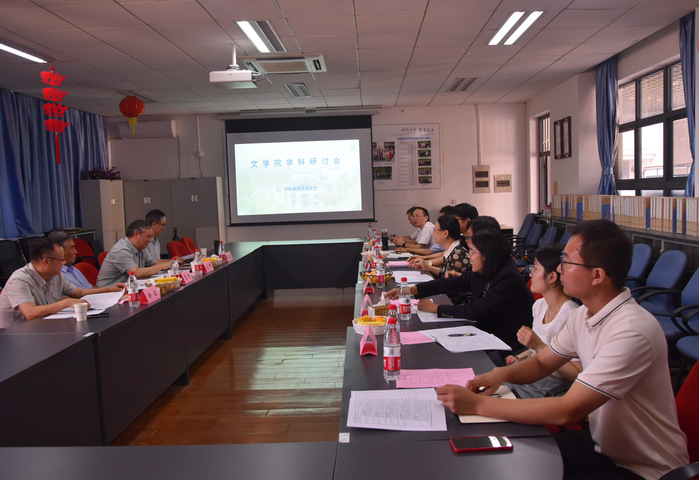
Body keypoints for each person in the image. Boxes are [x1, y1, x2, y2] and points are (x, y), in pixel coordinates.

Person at [436, 220, 688, 480]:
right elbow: (542, 363)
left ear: (597, 275)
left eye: (567, 262)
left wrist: (478, 404)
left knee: (518, 468)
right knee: (508, 453)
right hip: (604, 448)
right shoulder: (585, 315)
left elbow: (568, 410)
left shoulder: (631, 330)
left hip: (643, 469)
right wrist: (499, 375)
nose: (559, 269)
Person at [386, 228, 534, 358]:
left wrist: (436, 308)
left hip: (507, 340)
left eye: (472, 252)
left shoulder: (507, 276)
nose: (469, 256)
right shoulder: (486, 266)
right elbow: (450, 283)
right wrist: (410, 290)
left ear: (487, 254)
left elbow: (475, 310)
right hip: (486, 330)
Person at [504, 244, 581, 398]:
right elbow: (535, 351)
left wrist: (539, 346)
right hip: (533, 371)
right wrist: (519, 357)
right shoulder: (539, 305)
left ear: (552, 277)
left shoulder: (572, 315)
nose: (531, 273)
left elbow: (577, 374)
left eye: (536, 268)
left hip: (549, 385)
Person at [0, 237, 125, 329]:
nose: (64, 263)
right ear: (46, 261)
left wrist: (108, 289)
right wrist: (66, 302)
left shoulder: (55, 275)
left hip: (42, 326)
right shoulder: (20, 280)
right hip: (12, 335)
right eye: (61, 260)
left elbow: (79, 292)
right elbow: (30, 313)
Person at [96, 220, 170, 287]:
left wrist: (172, 262)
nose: (149, 240)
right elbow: (135, 273)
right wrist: (162, 266)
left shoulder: (141, 247)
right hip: (109, 292)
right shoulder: (121, 250)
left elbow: (153, 262)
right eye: (148, 237)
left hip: (129, 287)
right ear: (136, 234)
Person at [409, 203, 479, 265]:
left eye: (456, 219)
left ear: (467, 221)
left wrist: (426, 261)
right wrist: (425, 260)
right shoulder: (461, 237)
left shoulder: (472, 242)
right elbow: (446, 254)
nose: (453, 221)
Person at [411, 214, 469, 280]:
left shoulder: (458, 253)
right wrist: (428, 267)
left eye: (435, 229)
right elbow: (445, 272)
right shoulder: (453, 249)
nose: (433, 233)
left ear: (445, 233)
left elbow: (453, 281)